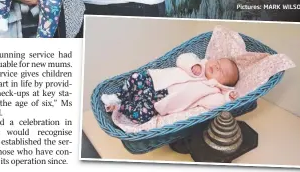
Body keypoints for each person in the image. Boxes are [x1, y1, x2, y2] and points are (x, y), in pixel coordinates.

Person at [101, 53, 239, 124]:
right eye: (219, 62)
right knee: (136, 77)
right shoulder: (199, 63)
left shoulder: (212, 91)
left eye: (222, 71)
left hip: (159, 102)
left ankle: (120, 106)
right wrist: (193, 65)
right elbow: (181, 59)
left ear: (223, 84)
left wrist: (228, 96)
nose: (217, 66)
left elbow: (217, 103)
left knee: (141, 115)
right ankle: (120, 95)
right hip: (155, 81)